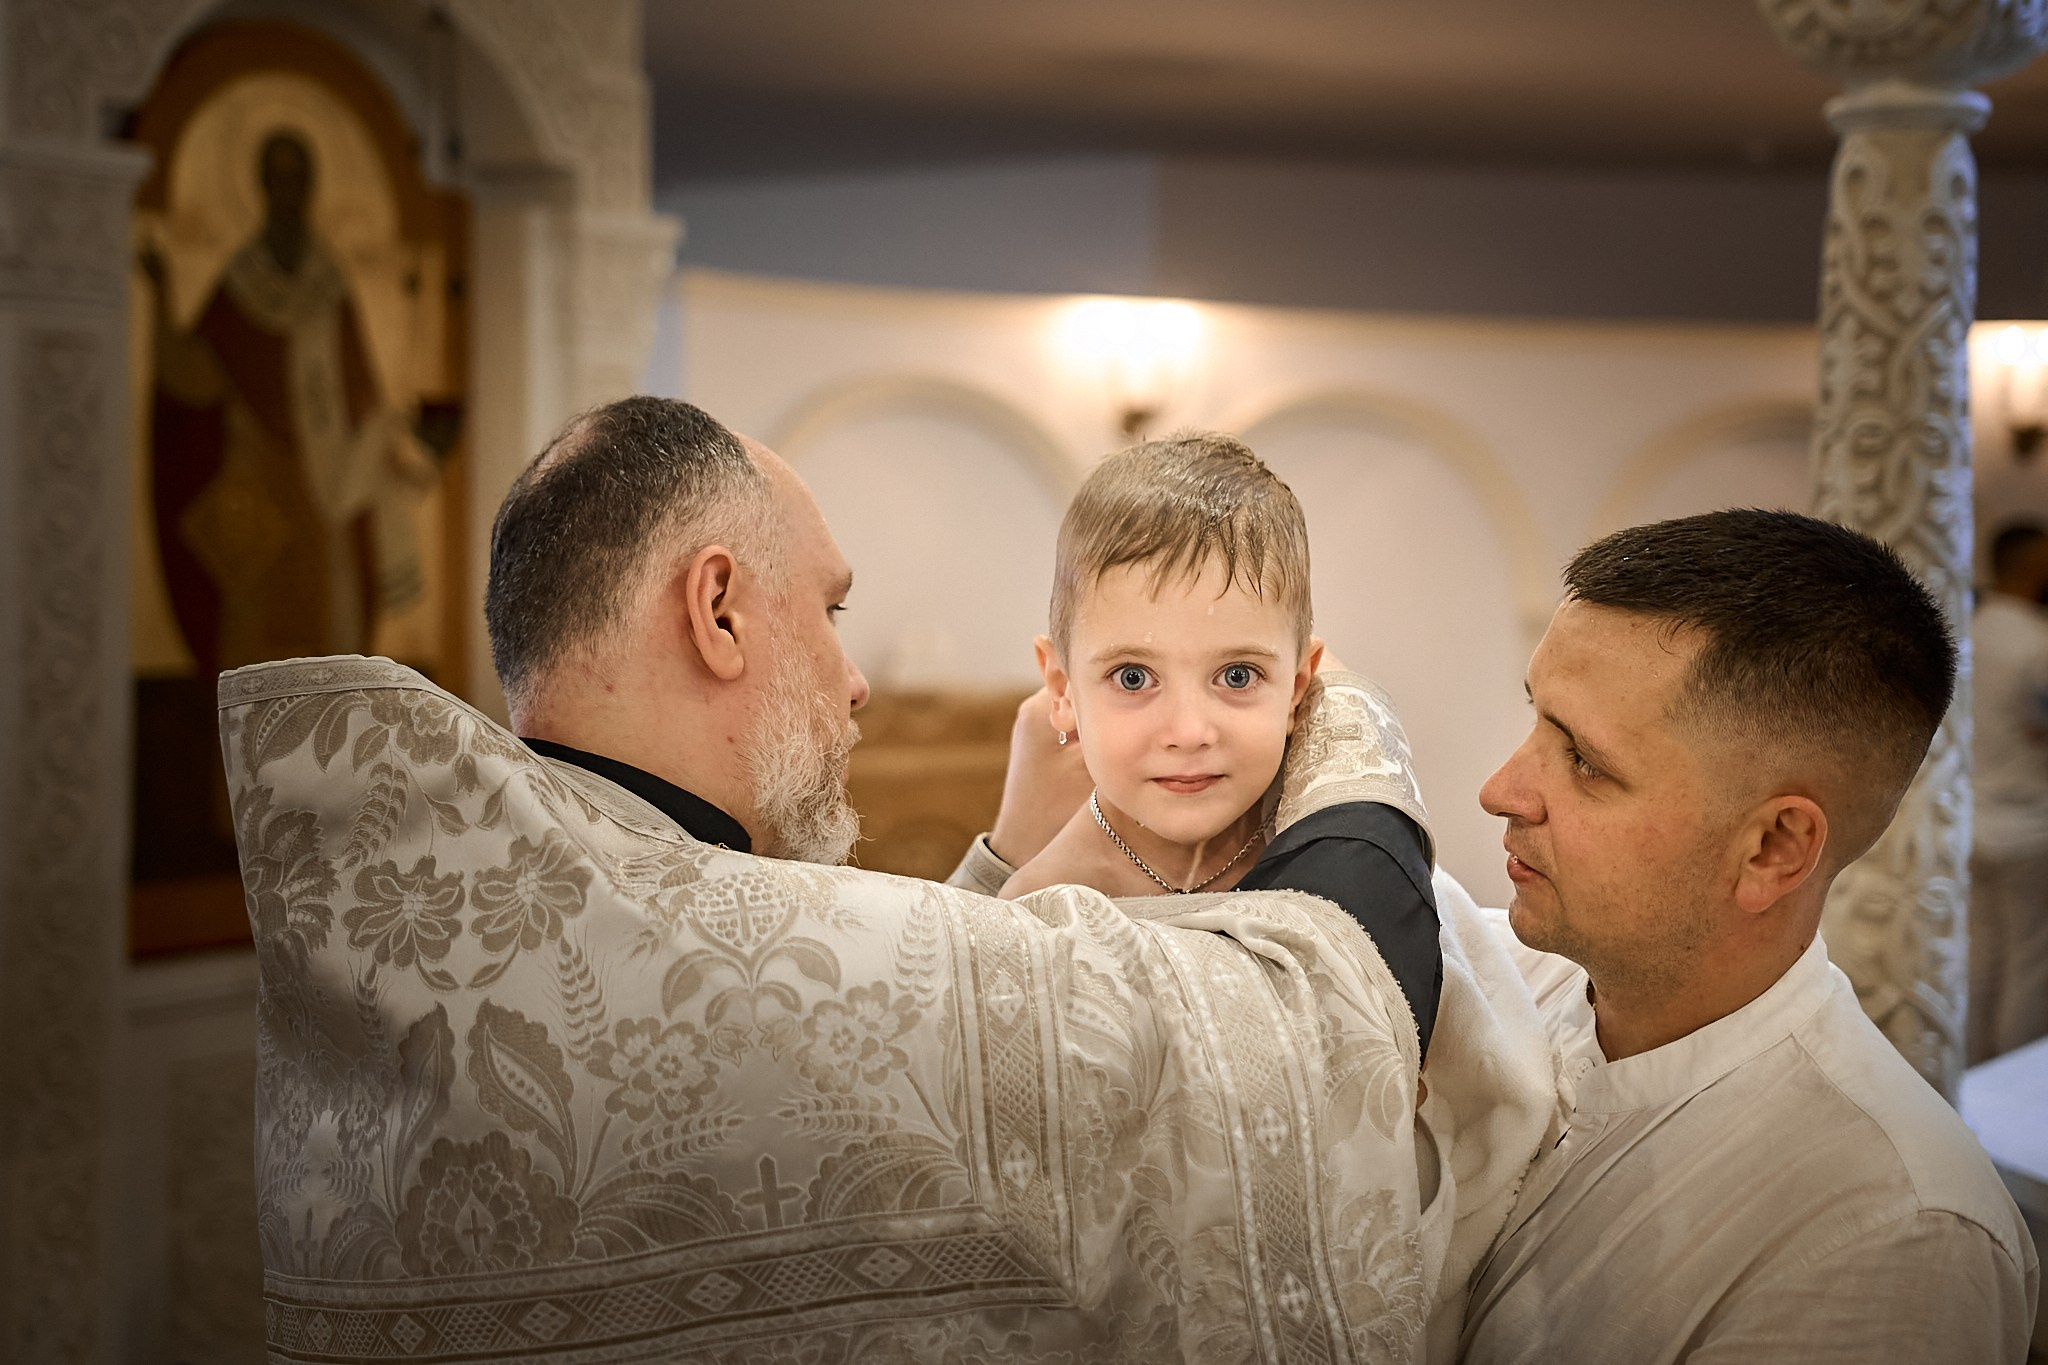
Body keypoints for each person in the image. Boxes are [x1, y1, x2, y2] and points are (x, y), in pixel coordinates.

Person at [220, 396, 1546, 1362]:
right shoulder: (729, 971)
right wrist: (1341, 725)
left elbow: (851, 1041)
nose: (856, 679)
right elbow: (1316, 1031)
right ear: (721, 607)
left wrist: (1009, 859)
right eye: (834, 608)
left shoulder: (451, 940)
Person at [1459, 509, 2038, 1364]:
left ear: (1772, 848)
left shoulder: (1889, 1233)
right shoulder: (1503, 970)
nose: (1500, 788)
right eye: (1538, 719)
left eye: (1584, 760)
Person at [996, 434, 1442, 1058]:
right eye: (1133, 677)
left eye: (1237, 676)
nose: (1188, 731)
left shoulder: (1318, 849)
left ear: (1298, 687)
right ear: (1062, 690)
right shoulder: (1037, 913)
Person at [1971, 520, 2048, 1063]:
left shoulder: (1964, 634)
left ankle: (1970, 1068)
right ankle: (2014, 1073)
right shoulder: (2036, 642)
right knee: (2030, 962)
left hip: (1970, 819)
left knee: (1978, 954)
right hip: (2028, 824)